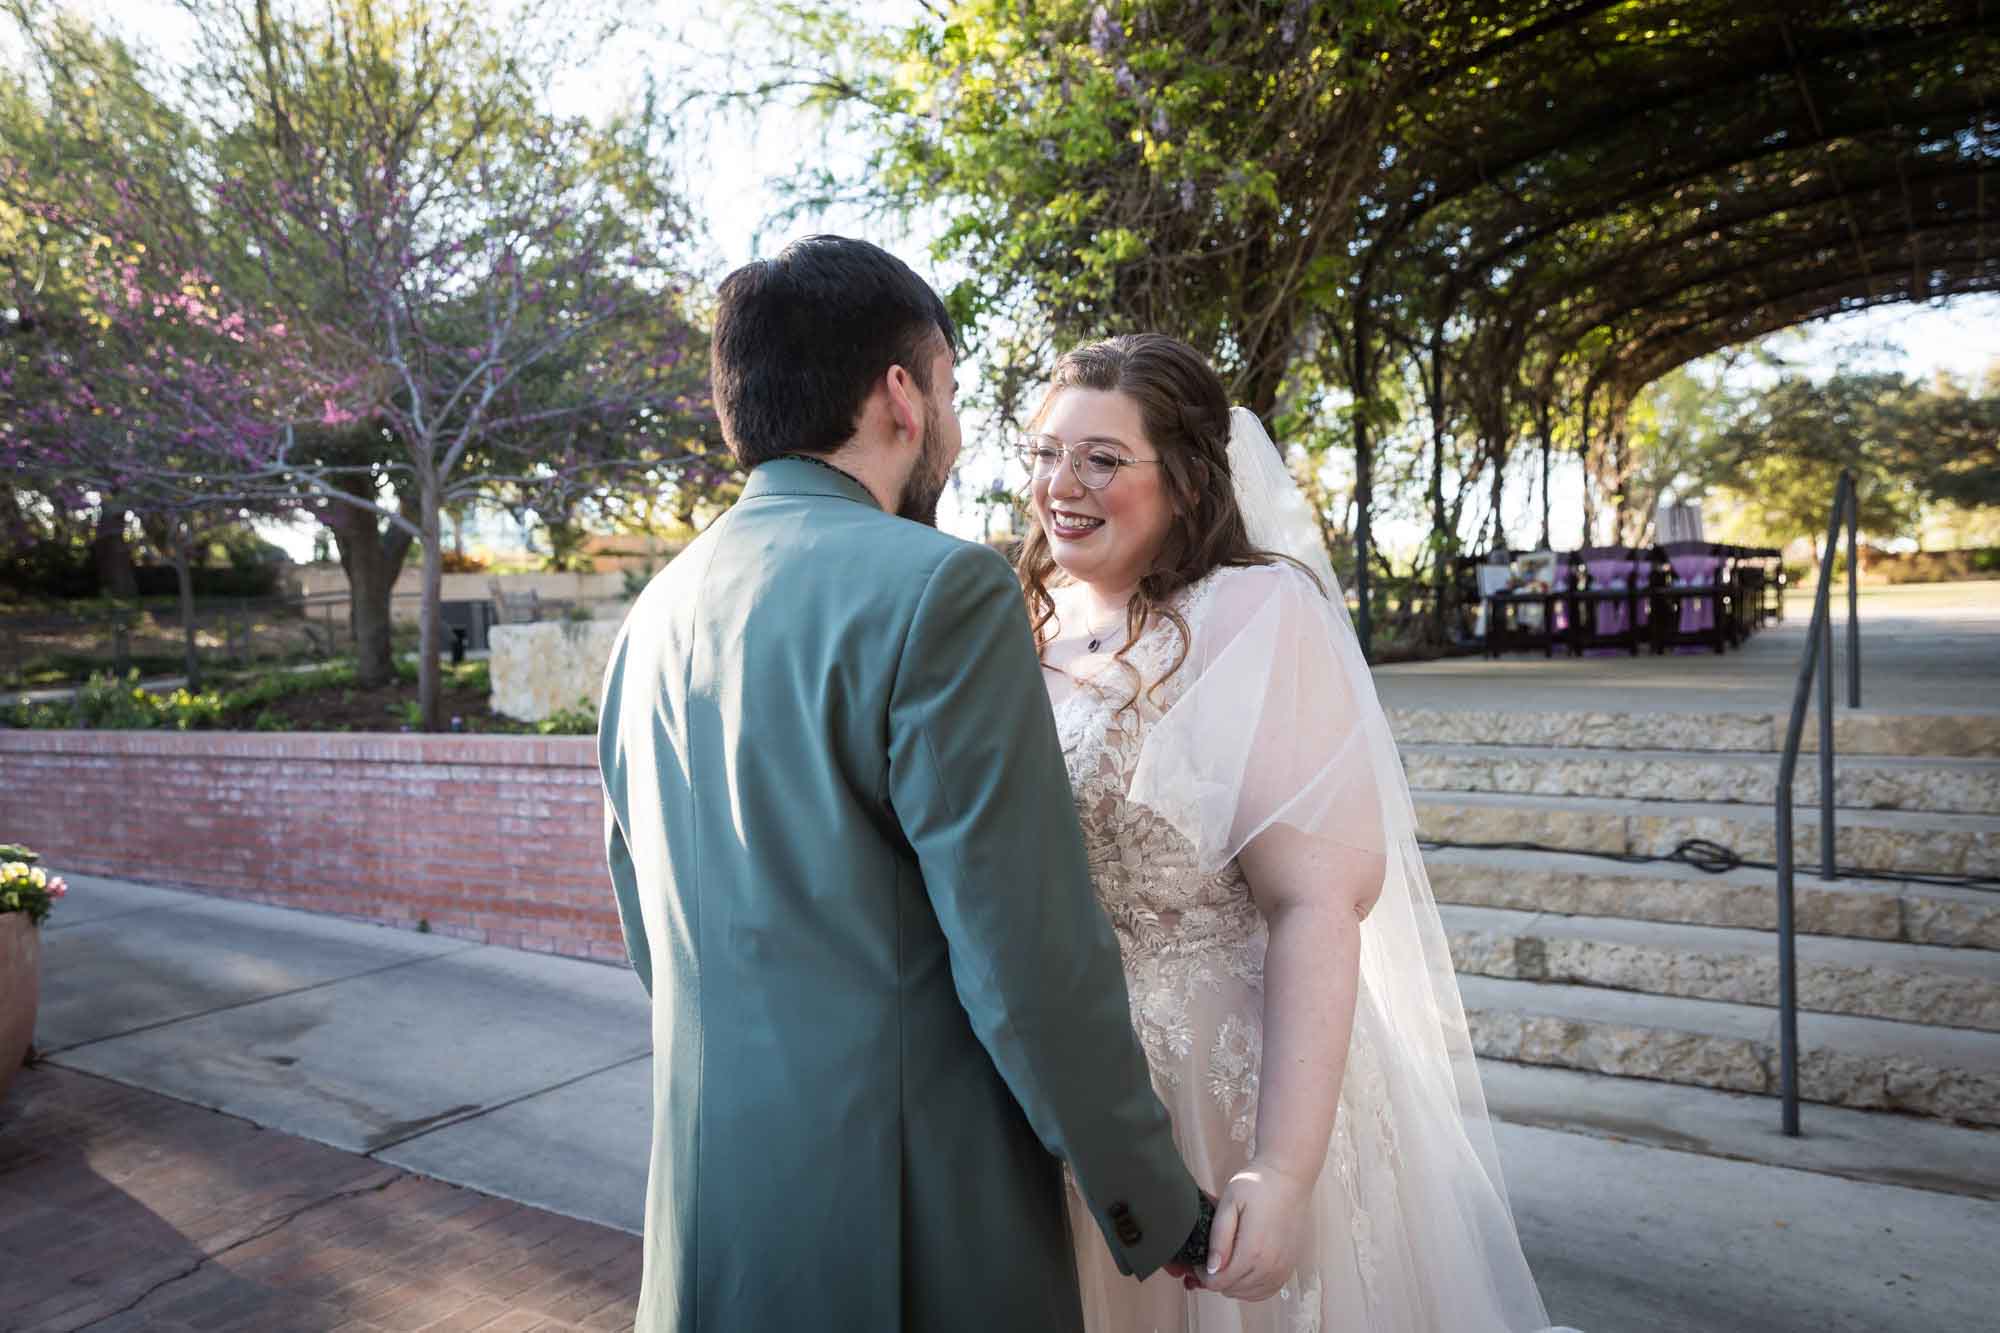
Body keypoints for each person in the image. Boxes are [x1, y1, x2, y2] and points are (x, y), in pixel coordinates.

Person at [596, 239, 1214, 1331]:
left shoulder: (654, 615)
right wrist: (1154, 1202)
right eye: (953, 391)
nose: (959, 428)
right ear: (900, 394)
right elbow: (1024, 951)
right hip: (908, 1215)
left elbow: (653, 933)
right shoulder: (940, 588)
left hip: (709, 1215)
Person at [1018, 333, 1570, 1331]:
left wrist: (1279, 1169)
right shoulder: (1026, 617)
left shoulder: (1251, 611)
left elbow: (1314, 901)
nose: (1063, 483)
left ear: (1185, 480)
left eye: (1102, 459)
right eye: (1047, 453)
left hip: (1223, 1087)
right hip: (1075, 1096)